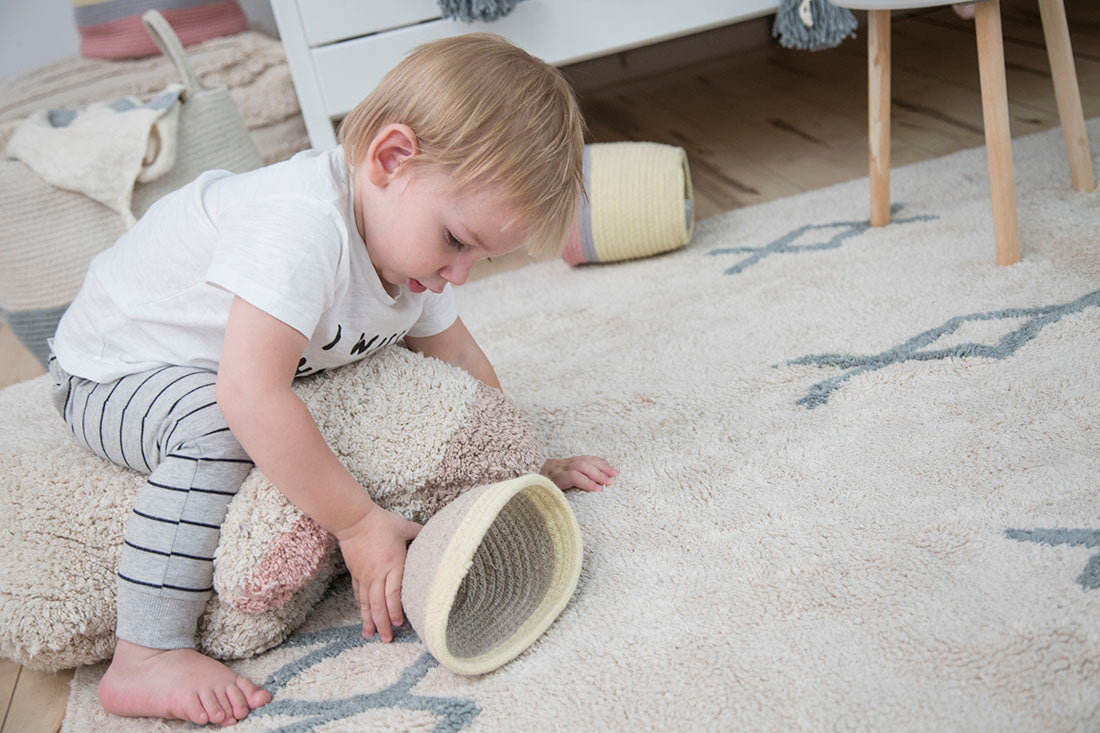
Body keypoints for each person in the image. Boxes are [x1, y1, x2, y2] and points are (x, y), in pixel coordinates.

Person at [48, 33, 617, 726]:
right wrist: (355, 520)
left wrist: (518, 461)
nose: (459, 273)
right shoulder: (298, 229)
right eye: (458, 242)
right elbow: (249, 391)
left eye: (481, 258)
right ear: (390, 159)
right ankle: (145, 651)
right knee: (225, 422)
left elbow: (458, 360)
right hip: (112, 369)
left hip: (199, 358)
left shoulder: (414, 250)